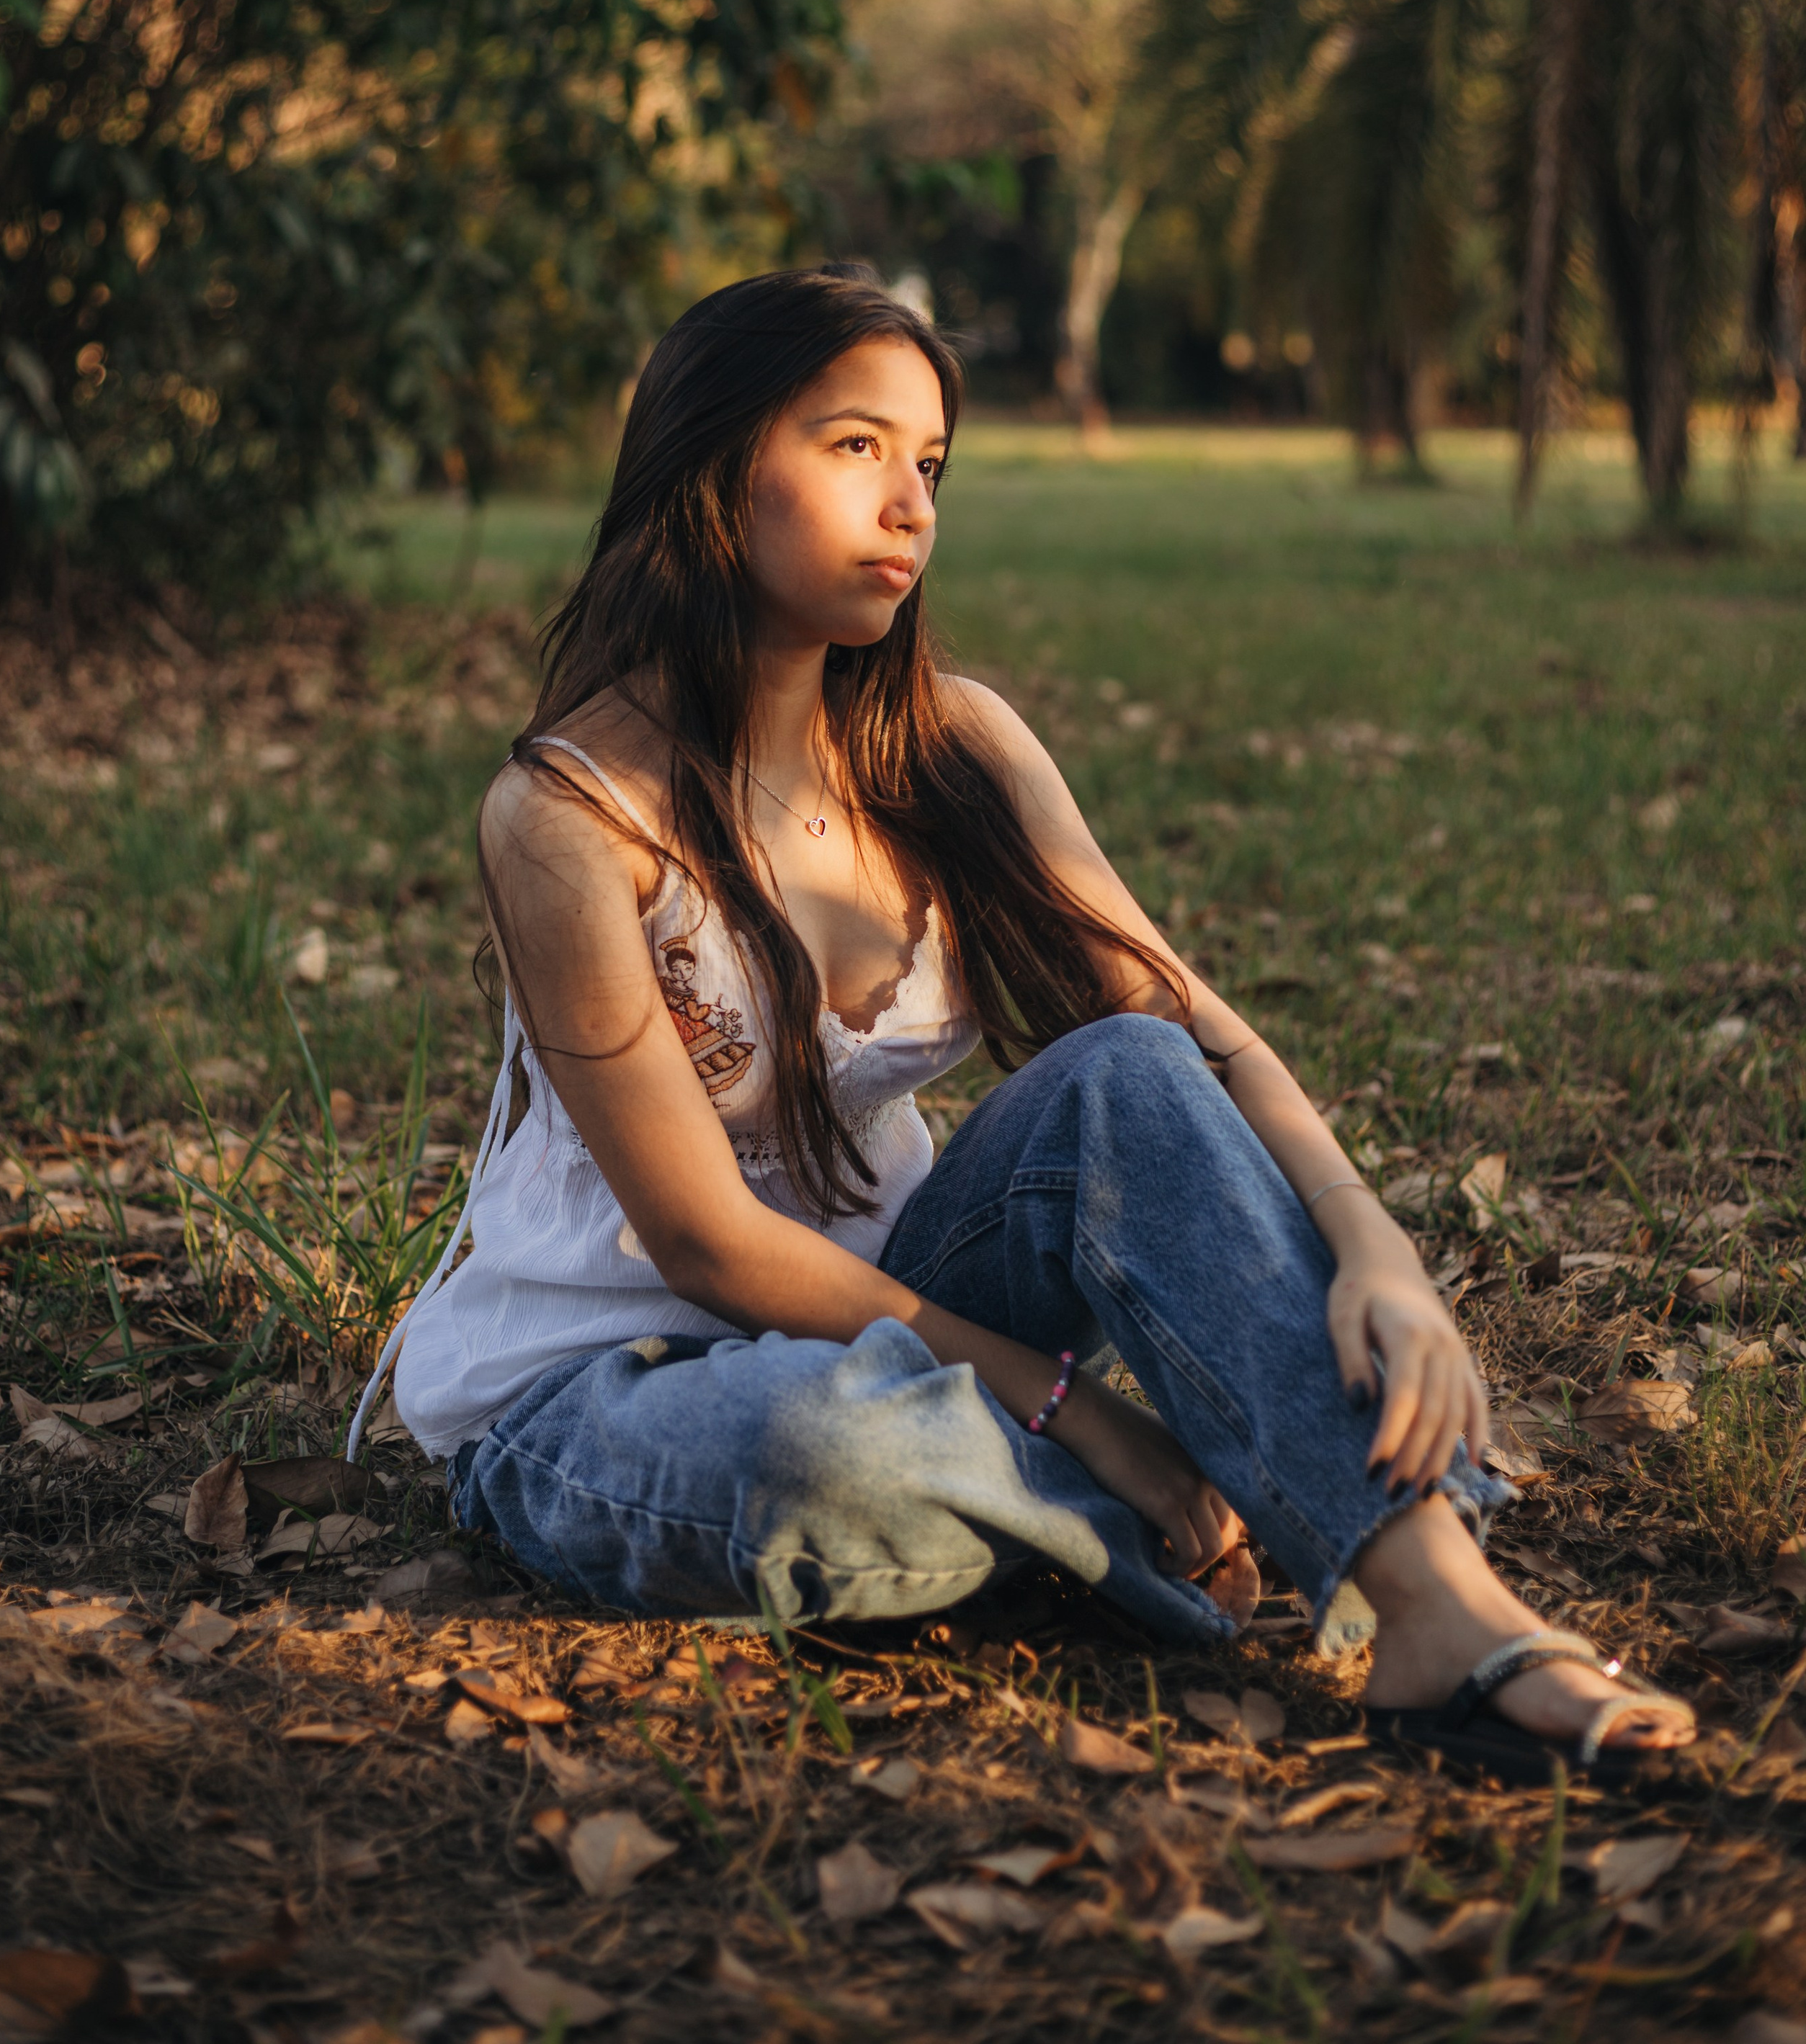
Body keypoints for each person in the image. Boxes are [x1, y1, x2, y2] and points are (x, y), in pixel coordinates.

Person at [350, 266, 1693, 1788]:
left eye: (928, 464)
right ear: (711, 466)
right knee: (835, 1455)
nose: (910, 504)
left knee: (1123, 1070)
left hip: (899, 1309)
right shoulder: (567, 819)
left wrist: (1370, 1243)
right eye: (855, 446)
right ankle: (1180, 1494)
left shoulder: (955, 745)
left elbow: (1186, 1030)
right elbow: (707, 1248)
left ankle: (1440, 1611)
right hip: (601, 1393)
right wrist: (1087, 1418)